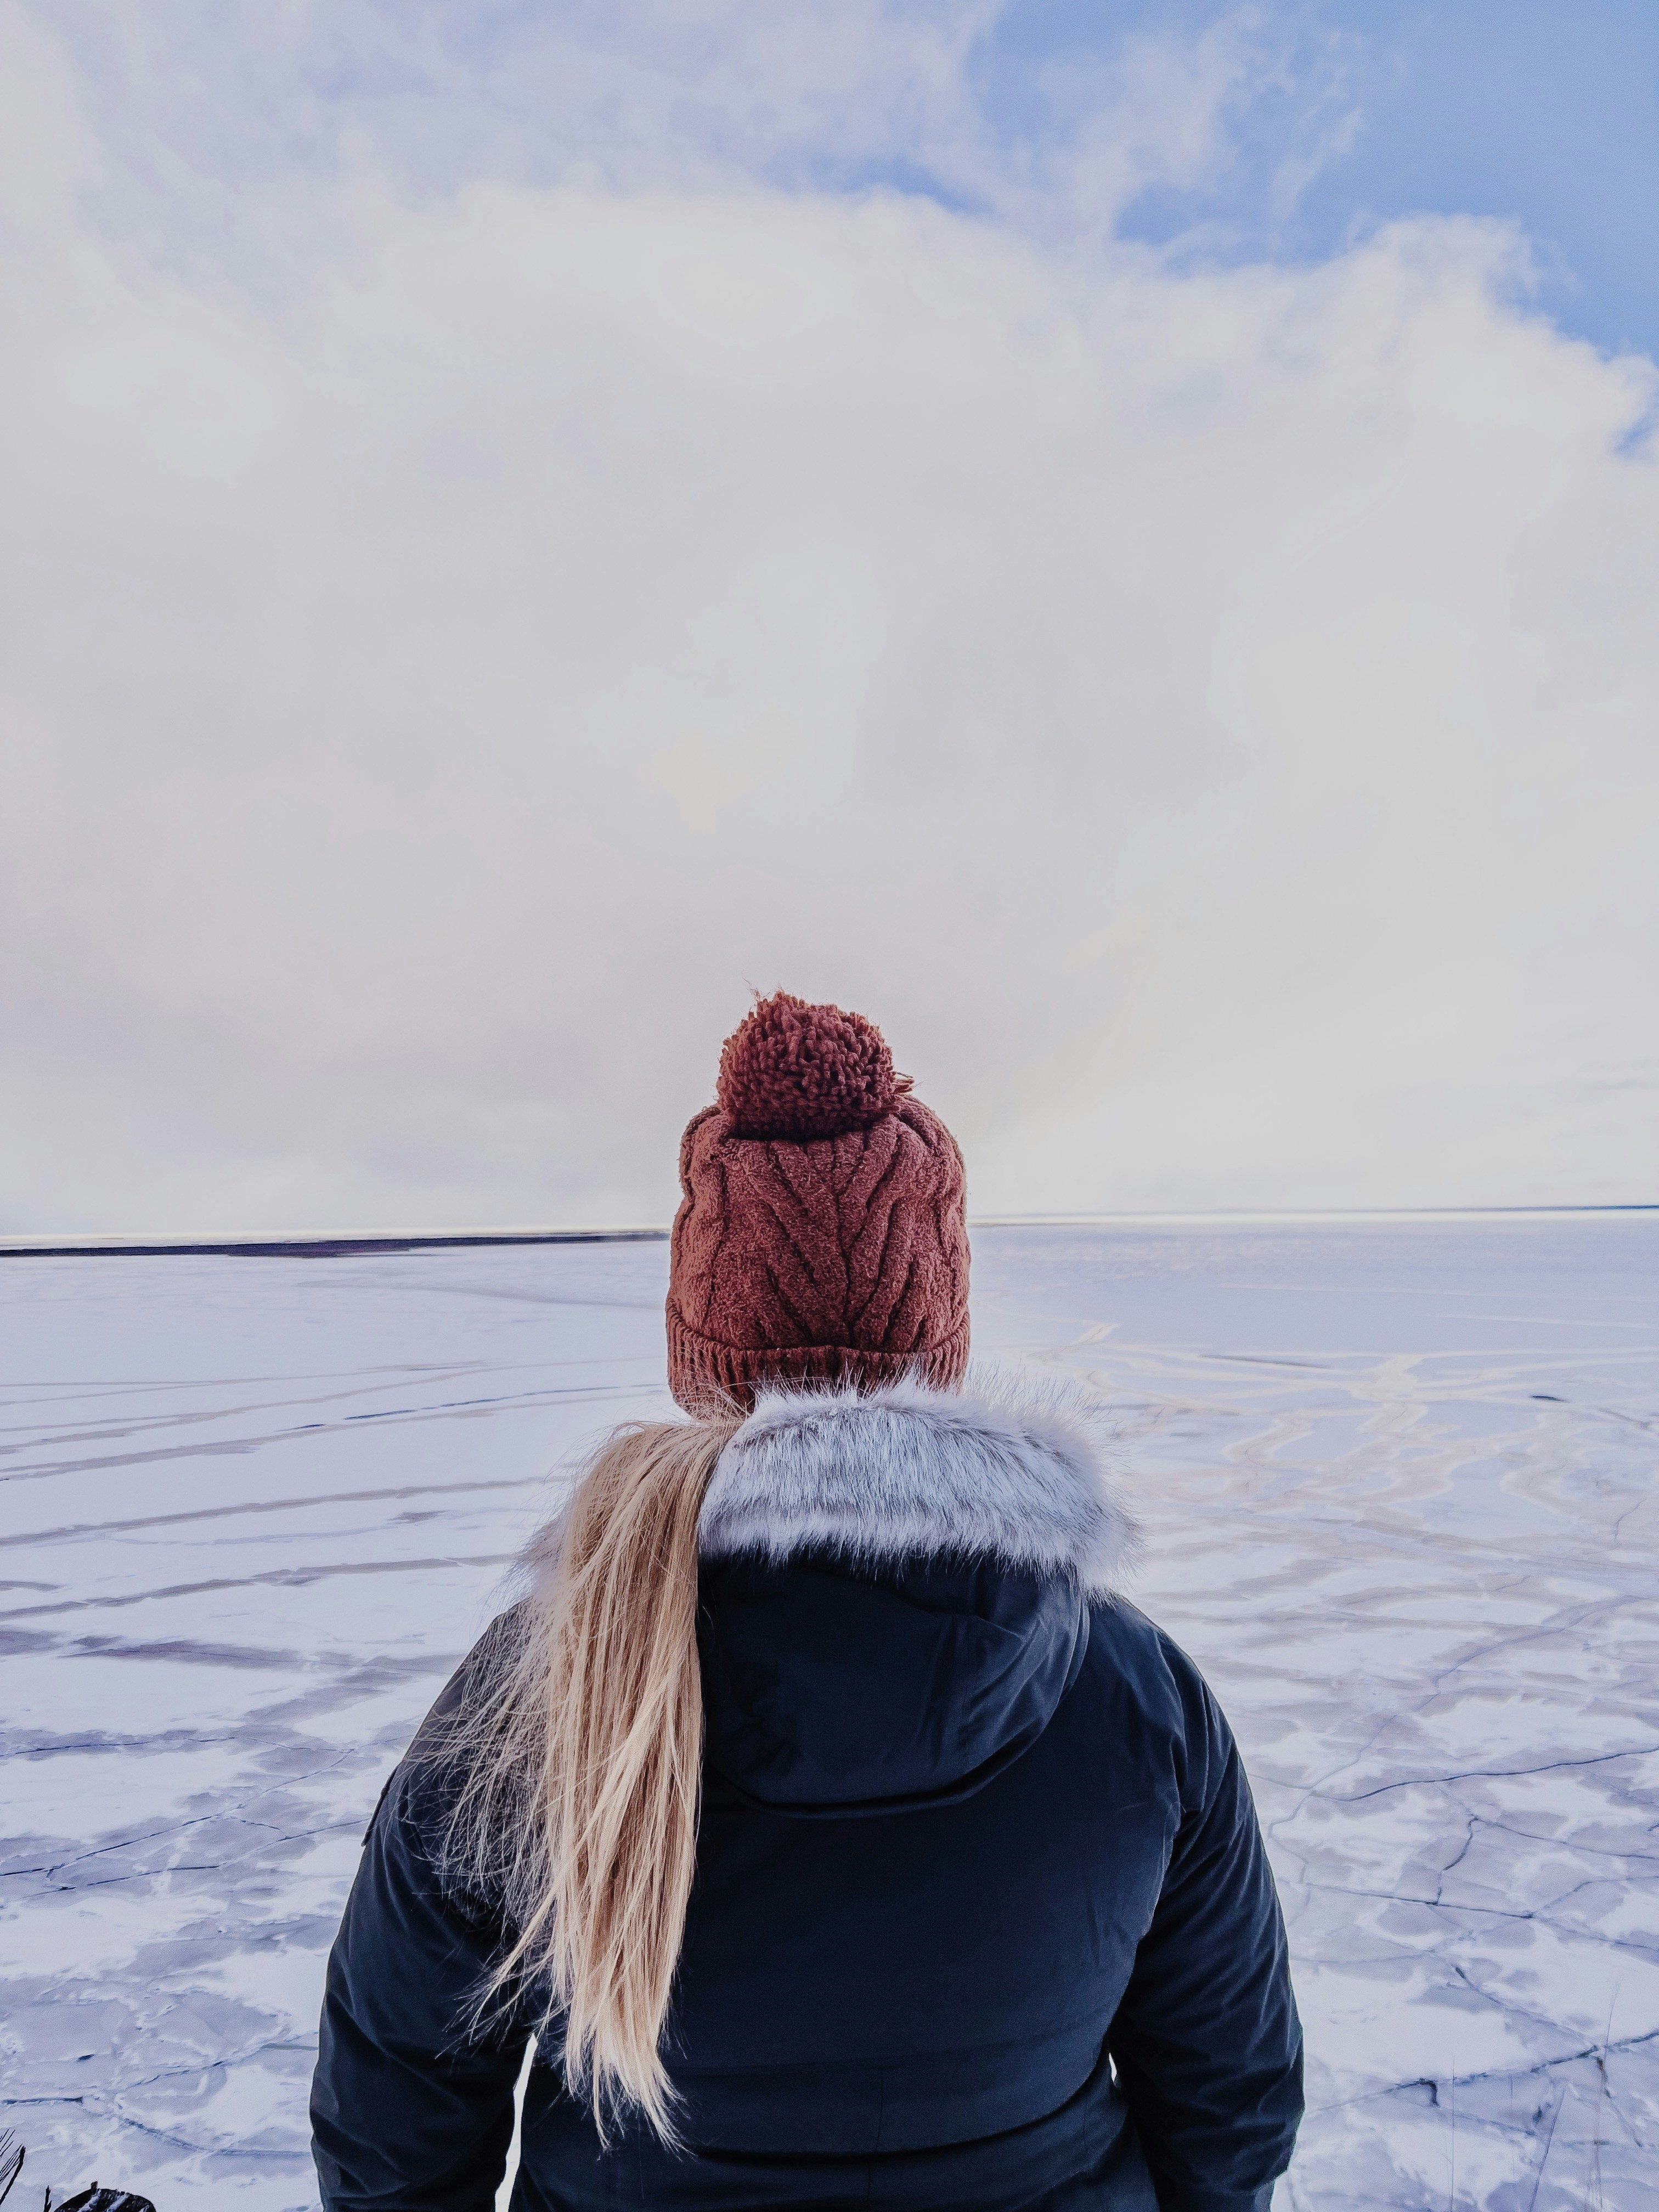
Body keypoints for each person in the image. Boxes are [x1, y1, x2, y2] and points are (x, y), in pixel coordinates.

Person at [311, 992, 1303, 2212]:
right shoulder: (1137, 1693)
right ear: (939, 1339)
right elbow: (1229, 2097)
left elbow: (396, 2115)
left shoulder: (547, 1682)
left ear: (704, 1346)